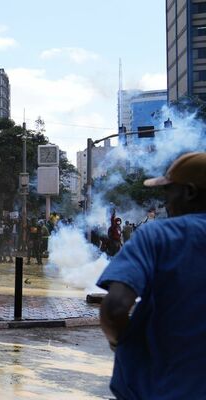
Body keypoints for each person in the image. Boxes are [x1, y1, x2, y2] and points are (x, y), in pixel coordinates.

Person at [98, 152, 206, 399]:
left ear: (189, 192)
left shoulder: (157, 236)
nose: (165, 202)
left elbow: (114, 310)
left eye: (169, 192)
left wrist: (124, 346)